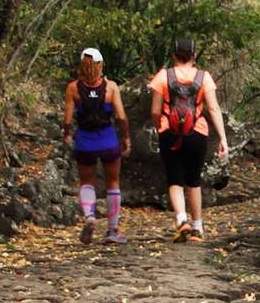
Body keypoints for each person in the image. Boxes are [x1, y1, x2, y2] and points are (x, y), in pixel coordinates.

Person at [146, 38, 230, 241]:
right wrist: (222, 138)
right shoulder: (204, 77)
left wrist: (160, 126)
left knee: (174, 178)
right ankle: (198, 229)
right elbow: (213, 108)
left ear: (174, 56)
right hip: (197, 133)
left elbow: (155, 110)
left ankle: (182, 219)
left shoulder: (163, 76)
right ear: (194, 56)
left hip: (169, 131)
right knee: (193, 179)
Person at [64, 48, 127, 244]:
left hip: (85, 140)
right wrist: (126, 138)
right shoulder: (111, 87)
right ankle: (112, 229)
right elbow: (121, 116)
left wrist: (67, 134)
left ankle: (90, 217)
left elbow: (67, 119)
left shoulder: (73, 88)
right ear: (101, 65)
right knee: (113, 182)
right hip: (108, 139)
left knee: (86, 182)